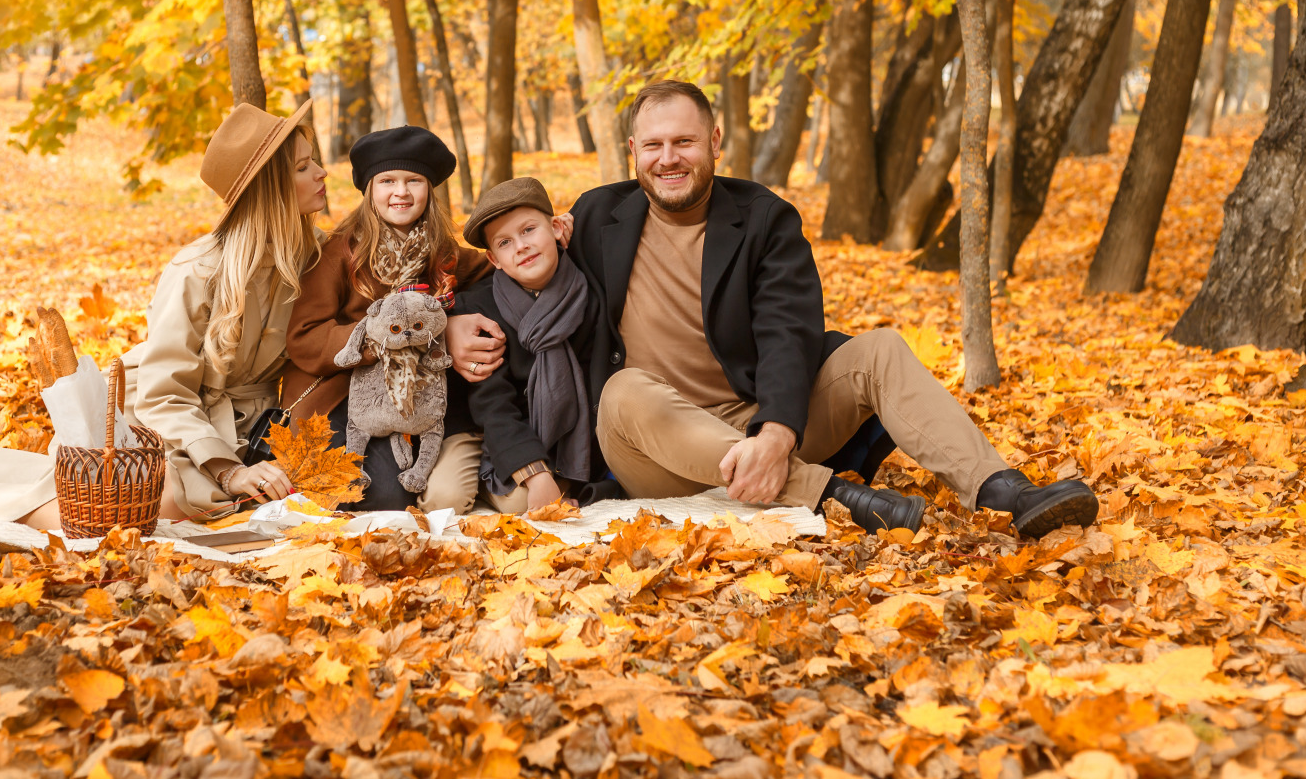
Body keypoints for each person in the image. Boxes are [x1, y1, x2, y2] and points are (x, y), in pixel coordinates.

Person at [465, 80, 1098, 539]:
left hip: (755, 420)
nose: (669, 159)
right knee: (625, 390)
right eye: (653, 145)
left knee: (877, 350)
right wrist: (450, 320)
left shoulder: (763, 217)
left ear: (715, 139)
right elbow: (499, 260)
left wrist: (777, 431)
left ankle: (1005, 493)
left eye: (684, 141)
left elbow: (789, 330)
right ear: (633, 151)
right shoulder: (599, 215)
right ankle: (836, 497)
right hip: (652, 448)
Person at [0, 102, 330, 527]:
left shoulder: (313, 259)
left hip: (246, 429)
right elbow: (167, 394)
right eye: (305, 167)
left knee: (211, 507)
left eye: (314, 161)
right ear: (271, 190)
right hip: (158, 423)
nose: (323, 174)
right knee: (151, 508)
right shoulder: (198, 271)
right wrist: (228, 468)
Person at [280, 126, 492, 511]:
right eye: (388, 181)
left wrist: (452, 320)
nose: (401, 192)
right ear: (369, 190)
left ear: (429, 190)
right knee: (381, 495)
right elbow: (304, 335)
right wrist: (376, 340)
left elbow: (494, 269)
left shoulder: (441, 253)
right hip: (343, 394)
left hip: (411, 401)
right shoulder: (340, 252)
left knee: (400, 489)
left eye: (414, 180)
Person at [421, 177, 620, 515]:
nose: (521, 246)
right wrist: (533, 470)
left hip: (552, 428)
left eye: (529, 230)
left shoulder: (588, 293)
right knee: (444, 500)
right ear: (494, 260)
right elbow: (491, 403)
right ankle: (494, 470)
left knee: (518, 503)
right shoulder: (479, 309)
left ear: (557, 228)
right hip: (479, 424)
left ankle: (509, 475)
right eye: (505, 242)